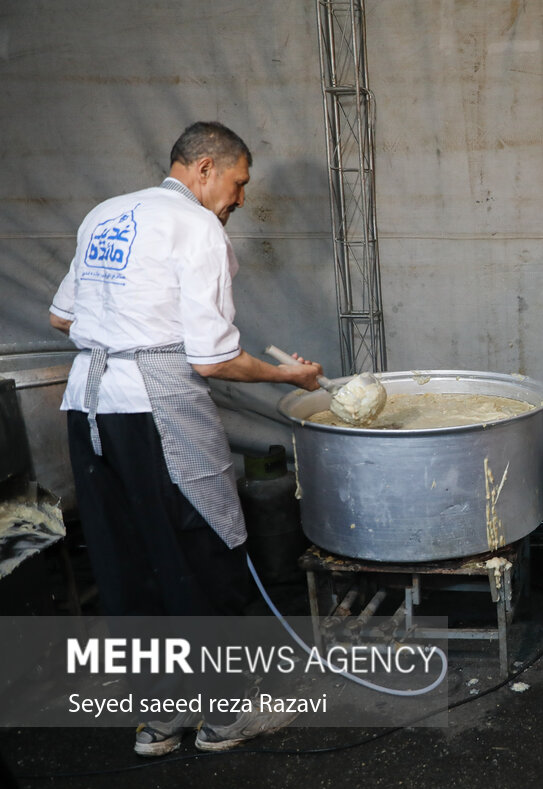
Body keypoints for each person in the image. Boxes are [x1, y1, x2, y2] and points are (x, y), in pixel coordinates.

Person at [48, 121, 324, 756]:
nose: (240, 200)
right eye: (238, 182)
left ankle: (160, 720)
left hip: (87, 409)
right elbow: (211, 360)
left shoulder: (106, 214)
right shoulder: (198, 228)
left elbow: (63, 316)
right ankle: (227, 715)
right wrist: (286, 375)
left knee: (125, 559)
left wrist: (121, 331)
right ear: (205, 169)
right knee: (199, 547)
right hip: (156, 409)